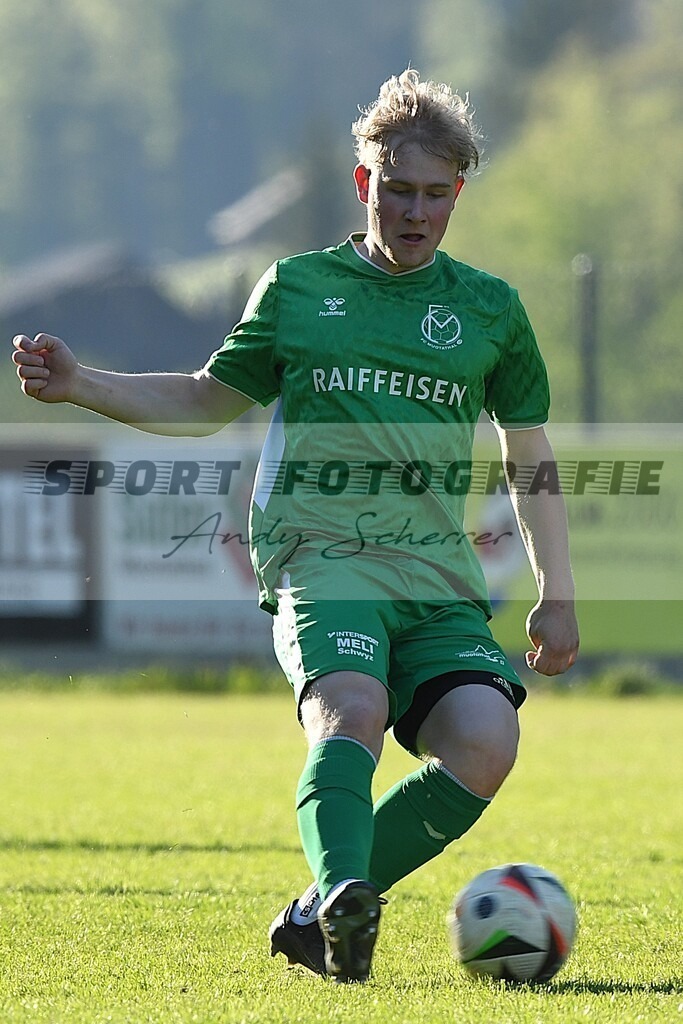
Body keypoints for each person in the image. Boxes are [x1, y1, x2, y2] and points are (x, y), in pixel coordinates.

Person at [12, 68, 579, 984]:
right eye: (398, 189)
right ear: (365, 184)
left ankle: (323, 913)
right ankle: (347, 893)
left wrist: (557, 593)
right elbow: (204, 401)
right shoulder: (299, 288)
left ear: (457, 195)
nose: (415, 211)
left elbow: (528, 452)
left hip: (435, 579)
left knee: (485, 741)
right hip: (323, 557)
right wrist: (81, 383)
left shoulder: (489, 309)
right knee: (352, 708)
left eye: (436, 195)